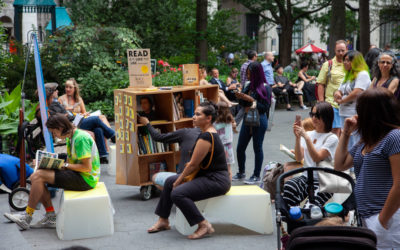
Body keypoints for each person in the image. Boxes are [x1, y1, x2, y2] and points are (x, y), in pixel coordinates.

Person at [147, 102, 231, 239]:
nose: (193, 117)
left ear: (208, 118)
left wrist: (179, 180)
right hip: (206, 176)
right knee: (169, 181)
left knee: (177, 193)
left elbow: (192, 165)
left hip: (216, 180)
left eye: (198, 114)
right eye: (194, 114)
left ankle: (203, 224)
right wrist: (177, 180)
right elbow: (195, 166)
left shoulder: (207, 137)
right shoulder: (206, 133)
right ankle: (163, 220)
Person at [4, 114, 100, 230]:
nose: (54, 135)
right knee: (38, 174)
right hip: (79, 175)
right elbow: (71, 163)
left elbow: (86, 168)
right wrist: (51, 164)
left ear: (60, 128)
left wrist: (62, 165)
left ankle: (27, 217)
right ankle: (49, 216)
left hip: (86, 179)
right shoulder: (72, 137)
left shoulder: (80, 138)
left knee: (38, 176)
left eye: (54, 132)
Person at [334, 88, 400, 249]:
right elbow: (339, 165)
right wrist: (346, 133)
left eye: (359, 109)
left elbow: (399, 184)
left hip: (387, 218)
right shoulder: (366, 140)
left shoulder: (394, 137)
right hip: (368, 216)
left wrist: (382, 221)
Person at [41, 83, 115, 164]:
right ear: (51, 93)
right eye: (55, 90)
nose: (57, 91)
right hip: (71, 125)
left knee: (98, 129)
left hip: (74, 121)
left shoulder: (55, 102)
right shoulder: (50, 104)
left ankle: (102, 156)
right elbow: (57, 119)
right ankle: (112, 135)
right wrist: (66, 115)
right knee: (96, 119)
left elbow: (64, 114)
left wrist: (73, 114)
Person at [283, 102, 338, 207]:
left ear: (326, 117)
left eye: (317, 115)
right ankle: (294, 219)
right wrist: (298, 138)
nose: (314, 118)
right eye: (312, 114)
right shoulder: (308, 134)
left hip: (324, 181)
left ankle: (306, 218)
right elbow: (299, 158)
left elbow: (316, 157)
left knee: (310, 208)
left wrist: (306, 138)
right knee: (289, 187)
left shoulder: (332, 138)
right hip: (306, 177)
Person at [233, 62, 272, 184]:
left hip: (259, 120)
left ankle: (256, 175)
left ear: (256, 74)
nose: (248, 76)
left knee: (257, 147)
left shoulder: (265, 87)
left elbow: (265, 107)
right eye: (247, 73)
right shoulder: (248, 85)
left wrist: (251, 100)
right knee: (240, 148)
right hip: (247, 119)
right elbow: (242, 104)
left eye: (250, 74)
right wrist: (241, 97)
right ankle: (241, 172)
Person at [138, 116, 201, 189]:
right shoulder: (212, 136)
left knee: (155, 177)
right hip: (201, 179)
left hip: (184, 178)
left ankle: (174, 194)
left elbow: (158, 137)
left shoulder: (186, 133)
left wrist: (147, 124)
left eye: (197, 114)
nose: (193, 117)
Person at [334, 51, 371, 150]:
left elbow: (357, 92)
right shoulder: (348, 75)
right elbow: (340, 90)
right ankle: (349, 165)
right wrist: (337, 94)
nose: (345, 63)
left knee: (356, 142)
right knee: (347, 142)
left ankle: (356, 165)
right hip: (344, 112)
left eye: (348, 60)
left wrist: (342, 101)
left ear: (356, 62)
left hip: (355, 112)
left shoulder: (362, 74)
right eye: (344, 60)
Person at [317, 40, 348, 136]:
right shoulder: (328, 64)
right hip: (332, 104)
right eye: (338, 51)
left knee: (345, 133)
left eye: (343, 50)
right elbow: (321, 84)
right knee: (334, 131)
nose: (341, 53)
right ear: (335, 50)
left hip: (347, 104)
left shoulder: (351, 64)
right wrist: (322, 103)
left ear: (347, 50)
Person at [214, 102, 234, 180]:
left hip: (220, 147)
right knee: (228, 168)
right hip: (229, 147)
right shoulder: (229, 119)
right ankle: (229, 184)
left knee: (218, 168)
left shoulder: (216, 123)